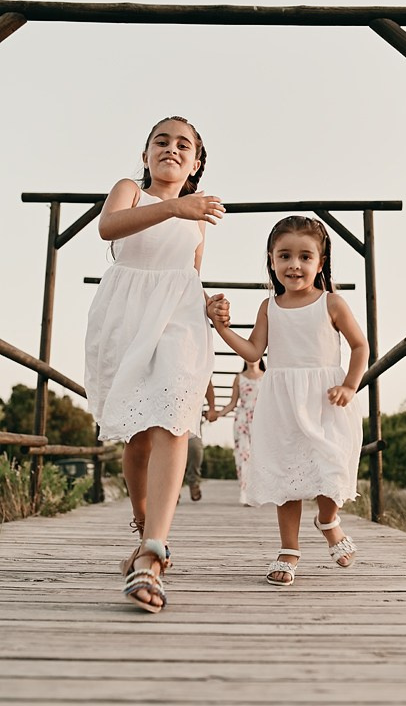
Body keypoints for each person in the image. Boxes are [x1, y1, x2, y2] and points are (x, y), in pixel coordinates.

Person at [84, 116, 225, 612]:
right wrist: (174, 206)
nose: (171, 148)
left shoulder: (196, 217)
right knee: (139, 439)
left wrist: (211, 310)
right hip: (126, 313)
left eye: (183, 144)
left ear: (196, 162)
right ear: (145, 156)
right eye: (160, 141)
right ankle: (142, 523)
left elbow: (190, 276)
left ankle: (153, 554)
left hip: (179, 317)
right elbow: (108, 227)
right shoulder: (132, 191)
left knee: (172, 422)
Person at [208, 215, 369, 586]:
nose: (294, 265)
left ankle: (328, 520)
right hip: (282, 402)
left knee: (332, 468)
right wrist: (222, 328)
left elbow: (360, 347)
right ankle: (288, 549)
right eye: (284, 256)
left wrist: (349, 384)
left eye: (304, 256)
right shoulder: (270, 308)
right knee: (288, 476)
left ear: (320, 261)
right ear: (271, 259)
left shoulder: (332, 303)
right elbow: (252, 349)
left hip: (327, 400)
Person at [217, 359, 265, 504]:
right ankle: (245, 493)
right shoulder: (239, 377)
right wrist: (217, 414)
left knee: (261, 455)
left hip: (261, 420)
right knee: (243, 455)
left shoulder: (267, 376)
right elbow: (233, 403)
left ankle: (259, 492)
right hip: (242, 420)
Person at [185, 380, 217, 501]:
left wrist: (212, 408)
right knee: (167, 452)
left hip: (192, 416)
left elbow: (207, 382)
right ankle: (172, 490)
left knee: (195, 449)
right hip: (168, 412)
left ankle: (193, 480)